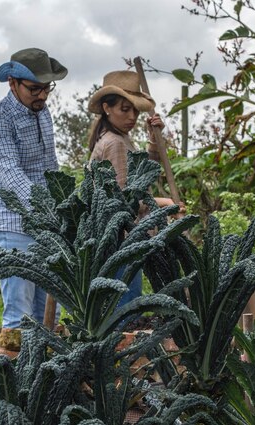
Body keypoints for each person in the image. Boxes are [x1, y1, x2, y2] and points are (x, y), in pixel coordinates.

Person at [0, 48, 67, 331]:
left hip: (44, 227)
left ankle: (46, 376)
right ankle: (14, 375)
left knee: (47, 319)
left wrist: (64, 208)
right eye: (34, 89)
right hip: (12, 226)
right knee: (20, 318)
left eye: (46, 88)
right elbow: (11, 178)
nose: (41, 95)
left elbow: (50, 169)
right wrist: (49, 211)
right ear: (12, 83)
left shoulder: (43, 113)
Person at [87, 70, 184, 307]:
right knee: (125, 313)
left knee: (122, 313)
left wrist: (153, 140)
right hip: (120, 242)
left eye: (135, 110)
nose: (132, 116)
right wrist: (165, 205)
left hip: (117, 241)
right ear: (107, 108)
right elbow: (125, 203)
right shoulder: (114, 144)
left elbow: (141, 177)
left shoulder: (116, 138)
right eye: (124, 109)